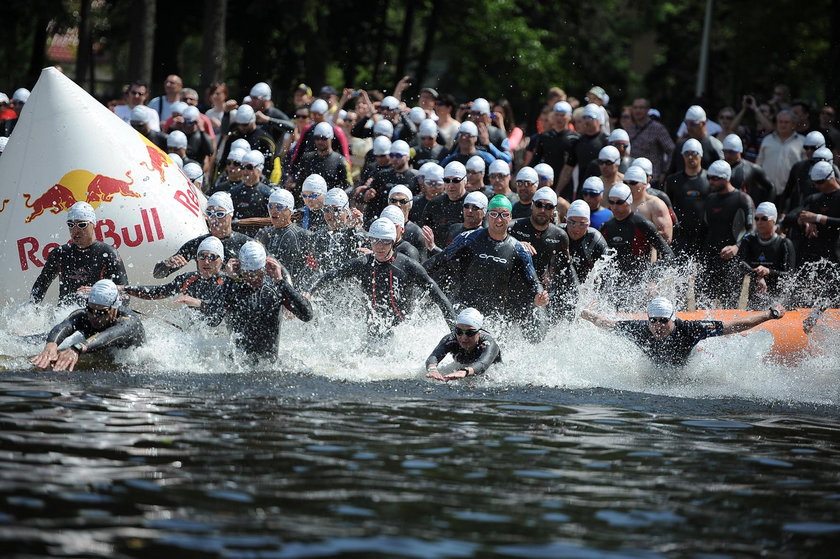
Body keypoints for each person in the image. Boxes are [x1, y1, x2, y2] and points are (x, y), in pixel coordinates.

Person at [307, 218, 456, 349]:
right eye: (375, 240)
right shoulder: (362, 264)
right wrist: (309, 292)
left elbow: (439, 297)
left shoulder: (408, 265)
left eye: (384, 241)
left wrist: (456, 333)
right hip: (373, 329)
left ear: (392, 242)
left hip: (403, 333)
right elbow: (330, 276)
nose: (379, 246)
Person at [439, 195, 550, 343]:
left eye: (504, 215)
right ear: (487, 215)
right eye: (494, 214)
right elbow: (439, 261)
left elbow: (533, 281)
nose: (499, 220)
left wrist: (539, 296)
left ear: (510, 217)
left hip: (494, 315)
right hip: (463, 308)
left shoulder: (518, 249)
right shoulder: (468, 239)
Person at [178, 241, 313, 359]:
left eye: (258, 274)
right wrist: (229, 280)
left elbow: (307, 315)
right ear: (240, 268)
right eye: (248, 273)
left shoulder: (275, 289)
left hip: (268, 364)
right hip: (238, 365)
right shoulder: (231, 289)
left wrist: (281, 281)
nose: (253, 278)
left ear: (264, 268)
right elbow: (212, 319)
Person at [581, 296, 787, 367]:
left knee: (732, 335)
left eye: (663, 321)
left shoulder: (689, 329)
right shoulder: (640, 329)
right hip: (659, 367)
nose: (658, 326)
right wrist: (579, 311)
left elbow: (731, 326)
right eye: (654, 321)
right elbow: (605, 323)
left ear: (673, 319)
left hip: (685, 363)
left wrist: (769, 314)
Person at [30, 279, 145, 372]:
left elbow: (110, 335)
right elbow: (63, 326)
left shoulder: (129, 322)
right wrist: (51, 346)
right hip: (91, 349)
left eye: (101, 312)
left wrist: (77, 348)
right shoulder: (84, 314)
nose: (93, 316)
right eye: (90, 309)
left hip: (132, 366)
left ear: (114, 308)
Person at [30, 202, 128, 305]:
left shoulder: (108, 254)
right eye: (71, 225)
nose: (75, 230)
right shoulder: (59, 254)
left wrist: (98, 292)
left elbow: (125, 297)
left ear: (94, 224)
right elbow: (39, 288)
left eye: (82, 225)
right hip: (66, 317)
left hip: (97, 316)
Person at [509, 187, 578, 321]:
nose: (542, 210)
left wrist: (576, 300)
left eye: (548, 206)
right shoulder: (513, 228)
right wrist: (515, 244)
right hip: (510, 292)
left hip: (538, 296)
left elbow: (567, 272)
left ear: (553, 210)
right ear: (532, 206)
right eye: (539, 205)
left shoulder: (559, 236)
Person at [153, 192, 250, 278]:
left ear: (231, 214)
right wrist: (167, 264)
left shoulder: (245, 244)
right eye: (209, 213)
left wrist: (237, 275)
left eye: (219, 214)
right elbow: (158, 275)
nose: (214, 219)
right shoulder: (199, 244)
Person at [599, 183, 674, 291]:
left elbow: (668, 254)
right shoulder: (606, 227)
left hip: (640, 285)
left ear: (628, 201)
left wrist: (653, 278)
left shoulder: (642, 224)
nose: (614, 206)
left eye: (619, 202)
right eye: (611, 202)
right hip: (615, 286)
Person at [701, 160, 755, 306]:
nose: (710, 182)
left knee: (729, 305)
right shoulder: (710, 199)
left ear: (726, 178)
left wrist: (737, 246)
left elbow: (752, 230)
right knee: (704, 304)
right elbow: (705, 229)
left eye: (714, 178)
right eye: (709, 178)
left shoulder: (742, 199)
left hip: (732, 260)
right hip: (711, 258)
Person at [123, 236, 226, 301]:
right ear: (197, 259)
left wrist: (198, 304)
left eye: (212, 257)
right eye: (202, 256)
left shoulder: (227, 283)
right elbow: (158, 292)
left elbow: (216, 314)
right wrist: (125, 289)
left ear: (221, 260)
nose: (206, 261)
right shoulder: (188, 280)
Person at [734, 202, 796, 309]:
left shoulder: (784, 243)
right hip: (755, 301)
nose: (759, 222)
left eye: (764, 218)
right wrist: (757, 275)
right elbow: (740, 263)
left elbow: (789, 275)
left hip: (778, 300)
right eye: (756, 218)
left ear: (774, 221)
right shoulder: (749, 240)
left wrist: (769, 271)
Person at [255, 188, 315, 283]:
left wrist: (307, 289)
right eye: (270, 206)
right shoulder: (263, 234)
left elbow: (316, 269)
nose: (274, 211)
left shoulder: (304, 235)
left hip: (293, 291)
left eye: (279, 207)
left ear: (290, 210)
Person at [425, 307, 501, 381]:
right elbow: (433, 357)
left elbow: (483, 364)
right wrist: (433, 370)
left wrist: (465, 371)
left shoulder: (488, 343)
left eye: (470, 333)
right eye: (459, 331)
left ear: (478, 332)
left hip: (490, 377)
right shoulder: (451, 339)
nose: (464, 338)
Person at [665, 138, 710, 256]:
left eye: (694, 153)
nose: (690, 157)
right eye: (687, 153)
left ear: (700, 155)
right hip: (681, 235)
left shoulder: (709, 179)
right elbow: (667, 208)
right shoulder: (673, 180)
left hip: (703, 234)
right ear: (682, 156)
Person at [530, 101, 579, 199]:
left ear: (569, 117)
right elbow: (535, 159)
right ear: (552, 116)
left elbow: (572, 165)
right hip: (546, 181)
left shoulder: (574, 138)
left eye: (562, 115)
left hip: (566, 183)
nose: (559, 118)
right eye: (557, 115)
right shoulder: (545, 136)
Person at [757, 110, 805, 198]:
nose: (783, 125)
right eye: (780, 122)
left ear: (793, 125)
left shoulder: (802, 141)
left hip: (791, 193)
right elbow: (759, 164)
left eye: (786, 122)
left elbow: (805, 167)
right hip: (766, 191)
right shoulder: (767, 140)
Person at [627, 98, 675, 186]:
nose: (638, 110)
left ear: (647, 110)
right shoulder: (630, 128)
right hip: (632, 178)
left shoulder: (658, 128)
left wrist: (665, 172)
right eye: (635, 108)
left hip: (652, 179)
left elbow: (671, 150)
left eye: (641, 108)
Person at [294, 121, 352, 191]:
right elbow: (299, 184)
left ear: (331, 138)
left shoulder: (340, 160)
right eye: (317, 138)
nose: (319, 141)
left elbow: (350, 186)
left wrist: (336, 198)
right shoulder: (307, 158)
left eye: (323, 138)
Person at [559, 200, 609, 282]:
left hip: (584, 287)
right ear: (566, 220)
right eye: (572, 222)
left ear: (589, 224)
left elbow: (606, 275)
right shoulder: (558, 234)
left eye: (582, 224)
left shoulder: (595, 240)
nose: (576, 228)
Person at [422, 161, 468, 246]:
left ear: (465, 181)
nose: (451, 185)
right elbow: (425, 231)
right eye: (447, 180)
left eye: (456, 181)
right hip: (438, 252)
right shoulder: (434, 204)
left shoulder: (472, 204)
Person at [668, 106, 724, 175]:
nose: (688, 127)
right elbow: (671, 173)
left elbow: (722, 173)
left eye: (692, 124)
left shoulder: (714, 145)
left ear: (703, 123)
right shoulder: (680, 146)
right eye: (686, 123)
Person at [625, 165, 673, 244]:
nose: (628, 186)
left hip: (648, 255)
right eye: (625, 183)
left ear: (644, 184)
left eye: (633, 183)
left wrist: (639, 237)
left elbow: (666, 238)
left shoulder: (655, 205)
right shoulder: (620, 202)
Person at [230, 150, 275, 234]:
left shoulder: (268, 194)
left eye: (249, 167)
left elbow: (273, 220)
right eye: (242, 167)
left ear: (259, 170)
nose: (245, 170)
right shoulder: (233, 192)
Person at [723, 134, 775, 207]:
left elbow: (771, 187)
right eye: (725, 152)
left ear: (740, 151)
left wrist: (766, 208)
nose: (728, 155)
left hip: (743, 210)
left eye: (732, 152)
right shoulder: (719, 168)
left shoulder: (751, 168)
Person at [387, 184, 425, 256]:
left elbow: (422, 263)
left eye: (403, 201)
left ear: (410, 205)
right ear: (388, 203)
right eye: (393, 200)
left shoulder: (416, 232)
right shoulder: (377, 225)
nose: (398, 204)